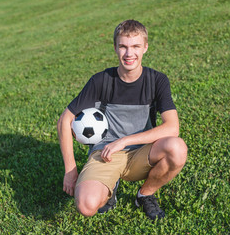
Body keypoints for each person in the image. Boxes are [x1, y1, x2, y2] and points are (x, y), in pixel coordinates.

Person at [57, 19, 188, 220]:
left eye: (136, 46)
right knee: (86, 206)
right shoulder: (101, 80)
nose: (129, 54)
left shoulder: (157, 81)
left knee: (177, 148)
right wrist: (70, 170)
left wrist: (124, 141)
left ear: (145, 47)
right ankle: (110, 186)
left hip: (143, 153)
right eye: (123, 47)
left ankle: (145, 194)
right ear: (115, 48)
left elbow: (173, 127)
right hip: (105, 154)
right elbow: (65, 120)